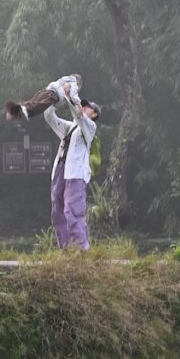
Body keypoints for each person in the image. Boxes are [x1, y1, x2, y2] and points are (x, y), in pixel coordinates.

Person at [43, 86, 101, 250]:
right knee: (58, 211)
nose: (84, 107)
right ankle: (66, 248)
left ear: (94, 114)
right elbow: (50, 118)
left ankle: (82, 249)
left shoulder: (90, 128)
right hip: (61, 171)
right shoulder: (70, 127)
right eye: (84, 105)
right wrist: (52, 98)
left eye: (88, 107)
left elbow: (79, 115)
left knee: (72, 210)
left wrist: (69, 95)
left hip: (76, 174)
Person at [5, 73, 82, 122]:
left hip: (47, 91)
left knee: (34, 102)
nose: (78, 90)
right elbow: (74, 96)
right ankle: (21, 110)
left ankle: (20, 108)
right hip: (53, 95)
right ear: (78, 83)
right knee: (38, 107)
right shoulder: (74, 84)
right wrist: (80, 108)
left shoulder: (65, 79)